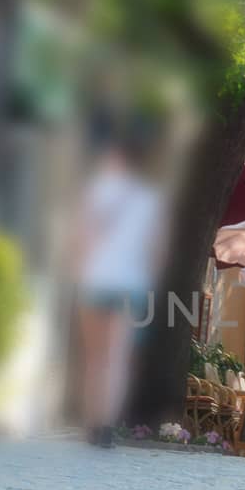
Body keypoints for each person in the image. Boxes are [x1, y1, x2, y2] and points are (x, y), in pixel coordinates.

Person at [71, 114, 167, 446]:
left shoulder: (97, 190)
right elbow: (155, 251)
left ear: (115, 156)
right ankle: (106, 427)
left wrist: (79, 272)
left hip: (96, 279)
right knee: (117, 358)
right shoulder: (150, 200)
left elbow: (82, 238)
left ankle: (92, 422)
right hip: (131, 284)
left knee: (94, 357)